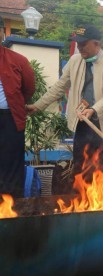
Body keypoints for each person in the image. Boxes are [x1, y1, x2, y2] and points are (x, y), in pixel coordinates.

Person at [26, 25, 103, 190]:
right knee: (81, 167)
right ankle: (81, 202)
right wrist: (38, 105)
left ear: (97, 43)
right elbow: (60, 86)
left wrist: (93, 109)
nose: (79, 47)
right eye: (78, 43)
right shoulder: (74, 61)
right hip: (82, 123)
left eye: (84, 44)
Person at [0, 42, 35, 197]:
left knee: (12, 162)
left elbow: (29, 88)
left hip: (10, 118)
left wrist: (15, 103)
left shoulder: (18, 60)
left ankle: (13, 208)